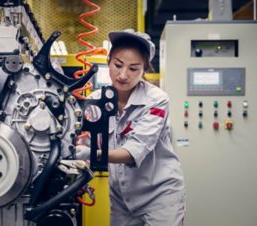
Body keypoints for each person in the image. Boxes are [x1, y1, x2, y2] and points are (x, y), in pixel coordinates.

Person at [77, 29, 185, 226]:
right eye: (118, 65)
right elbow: (83, 141)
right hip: (122, 199)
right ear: (108, 61)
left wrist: (93, 153)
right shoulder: (94, 101)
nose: (123, 75)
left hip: (159, 195)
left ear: (144, 70)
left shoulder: (156, 100)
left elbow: (132, 151)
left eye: (134, 68)